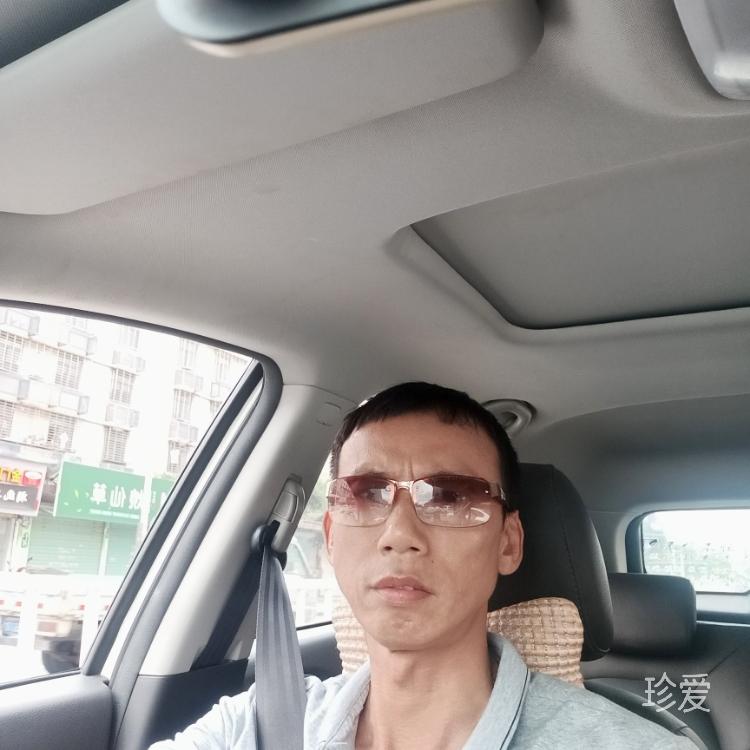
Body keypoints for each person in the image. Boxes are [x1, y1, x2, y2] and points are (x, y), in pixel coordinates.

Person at [151, 382, 694, 749]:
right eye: (367, 494)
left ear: (508, 544)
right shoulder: (255, 726)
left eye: (450, 497)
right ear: (333, 538)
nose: (400, 536)